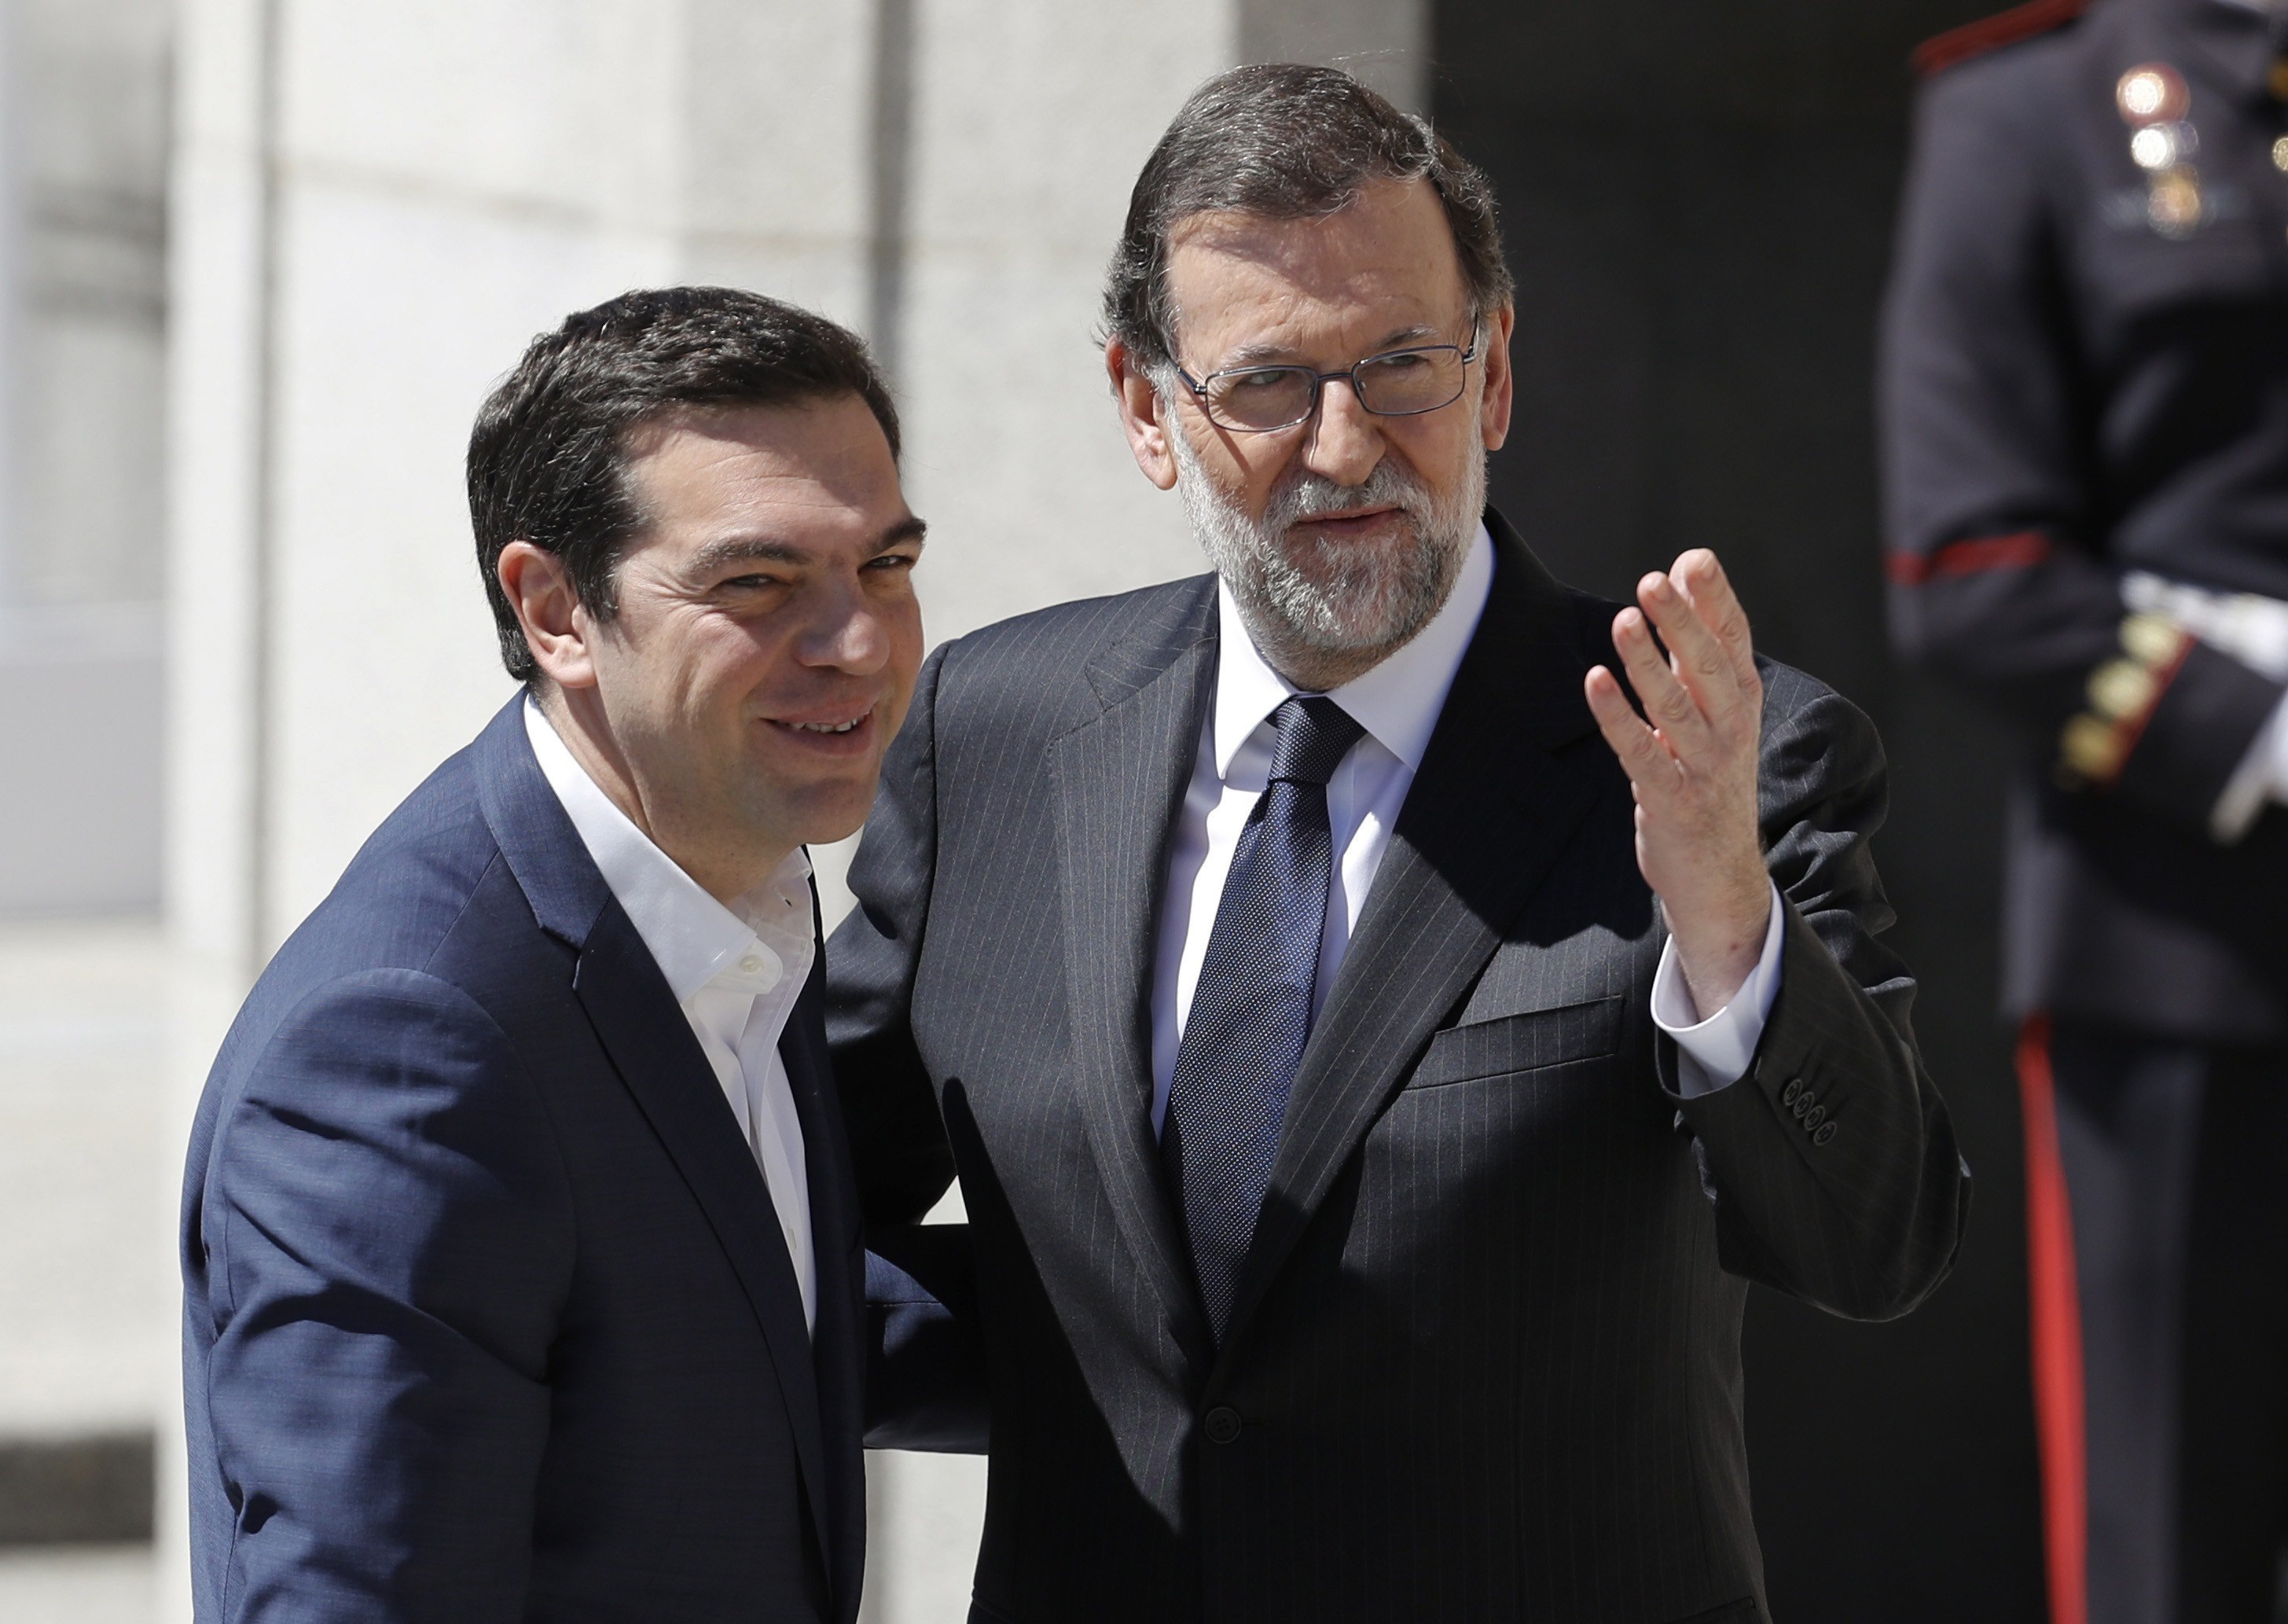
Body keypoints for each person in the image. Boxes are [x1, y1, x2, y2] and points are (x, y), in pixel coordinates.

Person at [832, 64, 1967, 1623]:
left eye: (1403, 366)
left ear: (1492, 375)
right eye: (1267, 384)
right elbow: (794, 1215)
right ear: (1147, 411)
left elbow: (1874, 1241)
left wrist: (1722, 912)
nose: (1347, 444)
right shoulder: (998, 735)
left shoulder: (1712, 759)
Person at [179, 286, 926, 1622]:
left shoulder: (736, 889)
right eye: (757, 583)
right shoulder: (403, 1047)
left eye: (883, 566)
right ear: (556, 610)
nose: (859, 643)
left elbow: (728, 1310)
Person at [1883, 2, 2288, 1619]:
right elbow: (1971, 567)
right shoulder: (2027, 105)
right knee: (2168, 1538)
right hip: (2185, 943)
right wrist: (2263, 720)